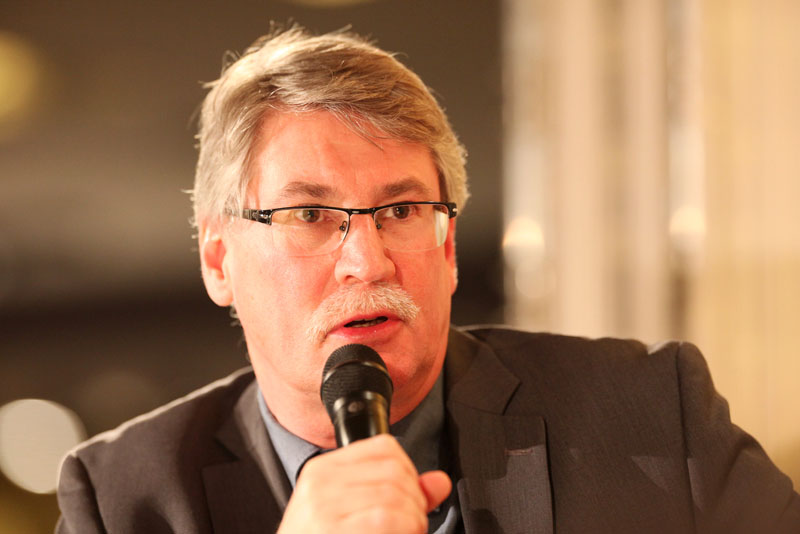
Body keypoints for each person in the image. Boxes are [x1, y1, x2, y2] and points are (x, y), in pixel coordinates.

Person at [55, 26, 799, 534]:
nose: (368, 261)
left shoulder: (650, 413)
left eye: (403, 210)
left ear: (448, 250)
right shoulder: (123, 501)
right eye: (310, 214)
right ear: (219, 260)